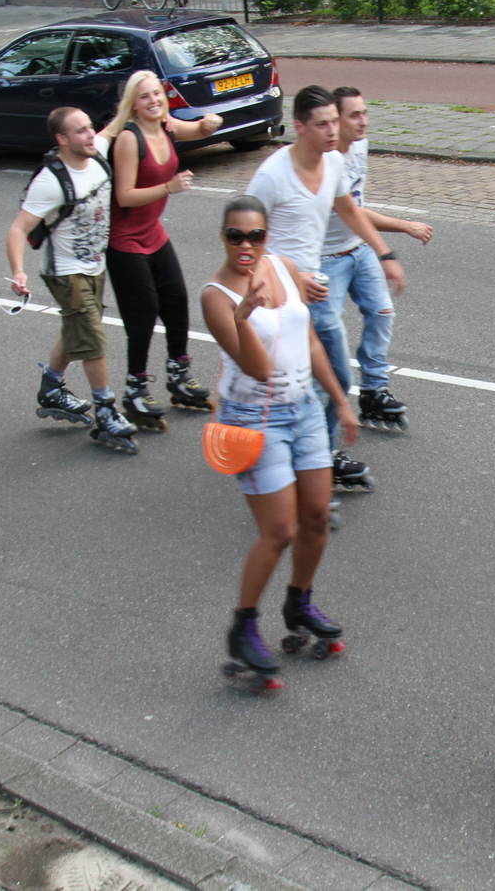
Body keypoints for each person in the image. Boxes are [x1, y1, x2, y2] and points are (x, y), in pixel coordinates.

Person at [202, 196, 360, 691]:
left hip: (305, 409)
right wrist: (243, 316)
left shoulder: (285, 269)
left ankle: (299, 601)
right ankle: (243, 627)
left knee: (316, 517)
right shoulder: (215, 296)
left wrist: (340, 400)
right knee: (279, 531)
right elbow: (256, 368)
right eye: (235, 236)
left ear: (266, 237)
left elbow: (309, 340)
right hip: (254, 420)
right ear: (223, 237)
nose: (246, 245)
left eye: (255, 235)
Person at [244, 85, 407, 492]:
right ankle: (316, 456)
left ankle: (304, 450)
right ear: (299, 127)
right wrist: (290, 275)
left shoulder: (333, 162)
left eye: (335, 121)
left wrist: (385, 254)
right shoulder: (272, 176)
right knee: (326, 376)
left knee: (324, 376)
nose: (333, 131)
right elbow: (244, 240)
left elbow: (349, 210)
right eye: (322, 124)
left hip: (312, 288)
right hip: (283, 292)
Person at [4, 106, 139, 455]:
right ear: (62, 139)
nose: (90, 134)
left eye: (90, 127)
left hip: (95, 265)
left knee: (75, 328)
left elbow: (116, 122)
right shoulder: (50, 181)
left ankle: (51, 388)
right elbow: (19, 229)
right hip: (66, 272)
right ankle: (106, 411)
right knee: (91, 336)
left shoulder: (97, 153)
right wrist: (18, 270)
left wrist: (140, 90)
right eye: (80, 131)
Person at [104, 69, 222, 432]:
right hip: (125, 240)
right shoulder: (129, 139)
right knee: (143, 315)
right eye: (145, 96)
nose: (153, 100)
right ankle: (135, 389)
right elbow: (125, 195)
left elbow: (198, 130)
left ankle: (178, 375)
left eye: (157, 93)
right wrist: (168, 187)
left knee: (176, 302)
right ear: (133, 105)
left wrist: (210, 123)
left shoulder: (166, 125)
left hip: (153, 233)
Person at [320, 86, 432, 433]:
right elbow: (351, 210)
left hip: (358, 246)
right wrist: (403, 228)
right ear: (336, 120)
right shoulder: (325, 160)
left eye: (365, 113)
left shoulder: (359, 145)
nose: (363, 121)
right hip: (325, 257)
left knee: (382, 312)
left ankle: (373, 390)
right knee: (327, 334)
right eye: (354, 115)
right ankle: (320, 412)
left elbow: (356, 203)